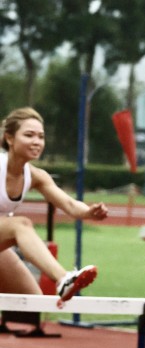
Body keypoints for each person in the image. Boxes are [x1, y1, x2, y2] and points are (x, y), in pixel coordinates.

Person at [0, 107, 105, 300]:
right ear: (9, 138)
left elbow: (70, 204)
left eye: (41, 137)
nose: (36, 142)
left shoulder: (36, 176)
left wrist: (89, 212)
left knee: (31, 298)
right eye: (29, 135)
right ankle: (63, 279)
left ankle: (64, 282)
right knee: (21, 225)